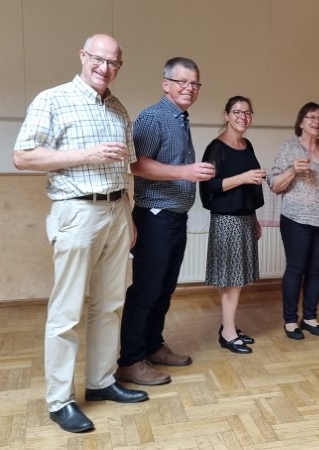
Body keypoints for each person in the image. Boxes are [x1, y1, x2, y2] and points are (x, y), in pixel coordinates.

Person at [13, 34, 148, 434]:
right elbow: (22, 156)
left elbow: (126, 168)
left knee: (110, 304)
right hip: (76, 211)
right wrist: (86, 155)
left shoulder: (119, 109)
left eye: (113, 63)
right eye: (98, 59)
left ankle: (102, 382)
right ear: (83, 56)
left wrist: (129, 215)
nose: (105, 68)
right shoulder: (53, 99)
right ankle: (60, 401)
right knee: (67, 311)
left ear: (119, 66)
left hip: (117, 210)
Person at [116, 57, 215, 386]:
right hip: (154, 217)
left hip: (175, 217)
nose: (189, 88)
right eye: (182, 82)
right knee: (146, 290)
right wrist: (185, 172)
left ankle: (153, 346)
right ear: (166, 84)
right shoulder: (153, 117)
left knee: (164, 289)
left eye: (194, 83)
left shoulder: (180, 118)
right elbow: (137, 165)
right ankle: (131, 361)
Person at [268, 102, 319, 340]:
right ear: (301, 121)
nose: (316, 121)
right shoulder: (289, 148)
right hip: (296, 219)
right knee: (296, 269)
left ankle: (309, 317)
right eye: (311, 117)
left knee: (316, 270)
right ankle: (290, 320)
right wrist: (292, 170)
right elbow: (274, 184)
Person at [200, 96, 266, 354]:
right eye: (237, 112)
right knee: (232, 279)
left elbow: (251, 187)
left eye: (247, 112)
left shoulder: (247, 145)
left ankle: (229, 326)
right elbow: (209, 186)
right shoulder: (215, 148)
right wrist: (242, 177)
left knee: (236, 279)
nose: (242, 117)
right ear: (226, 115)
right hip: (227, 220)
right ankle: (228, 334)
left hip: (245, 218)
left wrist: (254, 218)